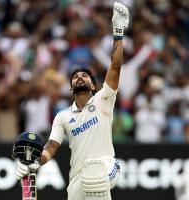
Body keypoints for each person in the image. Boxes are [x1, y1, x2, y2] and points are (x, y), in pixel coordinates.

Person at [15, 2, 129, 200]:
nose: (79, 77)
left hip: (106, 167)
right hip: (76, 179)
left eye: (85, 76)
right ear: (70, 88)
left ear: (94, 86)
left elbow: (116, 66)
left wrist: (118, 32)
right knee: (86, 180)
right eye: (76, 77)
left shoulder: (104, 98)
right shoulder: (63, 116)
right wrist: (36, 162)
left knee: (95, 177)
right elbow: (52, 146)